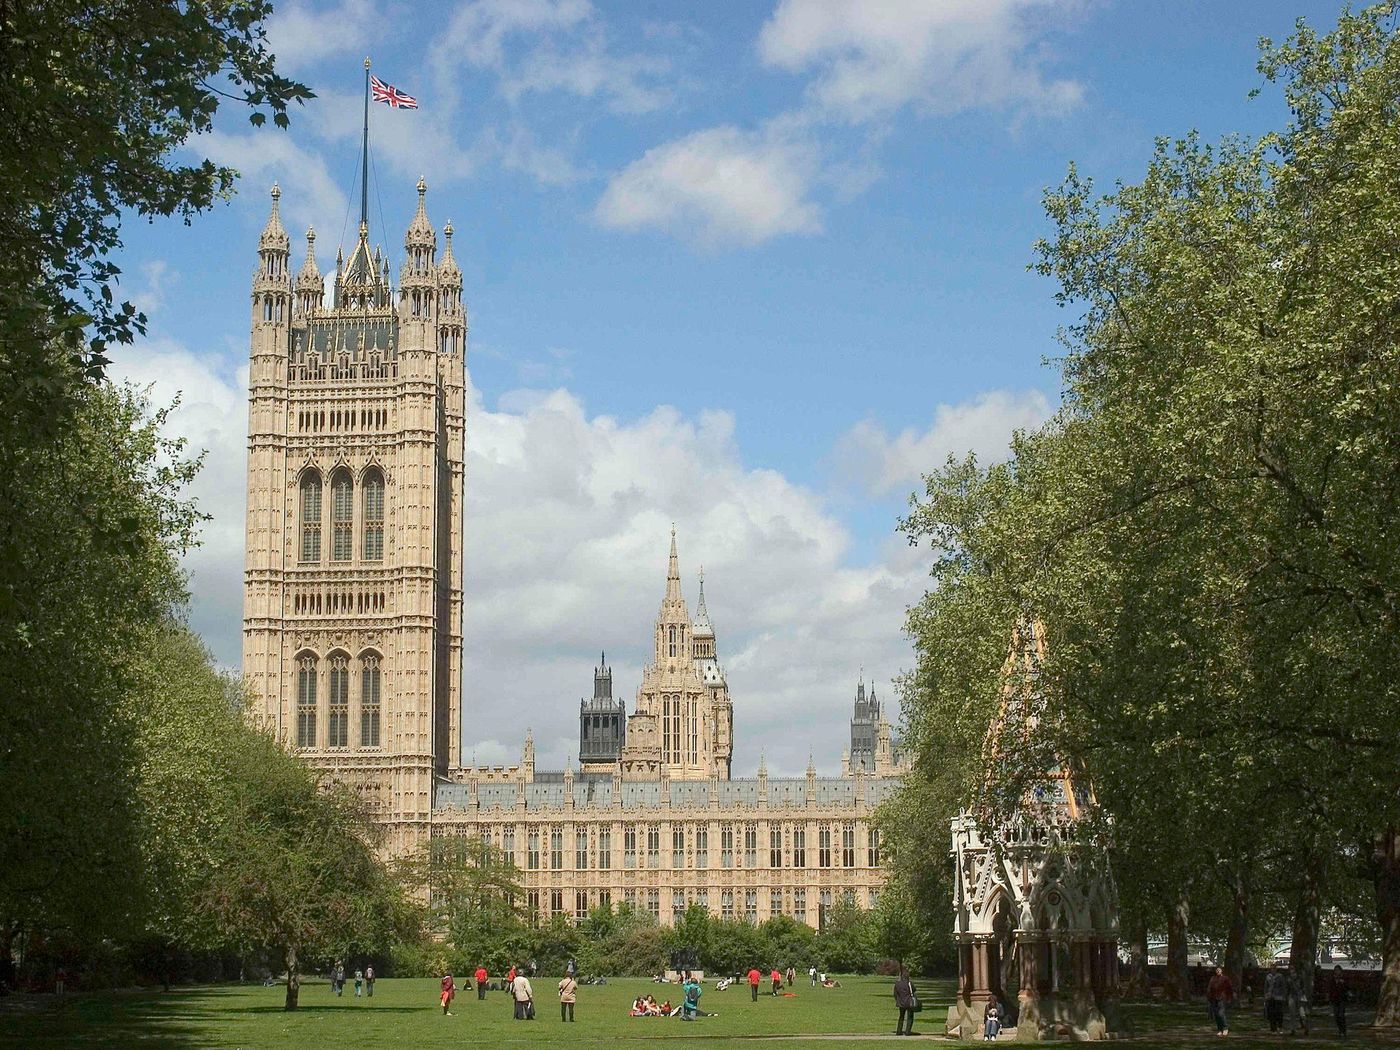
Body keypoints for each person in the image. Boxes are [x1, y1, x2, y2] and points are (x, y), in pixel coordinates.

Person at [1206, 965, 1233, 1037]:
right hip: (1214, 999)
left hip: (1222, 998)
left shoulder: (1225, 979)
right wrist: (1209, 997)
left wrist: (1229, 998)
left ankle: (1225, 1028)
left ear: (1221, 971)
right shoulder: (1213, 978)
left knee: (1221, 1013)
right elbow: (1209, 988)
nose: (1218, 971)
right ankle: (1220, 1029)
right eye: (1217, 970)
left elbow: (1230, 988)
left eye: (1219, 970)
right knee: (1216, 1015)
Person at [893, 967, 917, 1036]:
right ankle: (907, 1031)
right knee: (910, 1017)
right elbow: (914, 991)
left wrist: (897, 1000)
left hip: (901, 1002)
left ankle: (899, 1031)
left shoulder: (897, 984)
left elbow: (895, 994)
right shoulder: (909, 983)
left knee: (901, 1017)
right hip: (909, 1002)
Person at [1264, 965, 1288, 1033]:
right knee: (1271, 1013)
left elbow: (1283, 986)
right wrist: (1266, 995)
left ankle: (1279, 1027)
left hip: (1278, 997)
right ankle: (1273, 1028)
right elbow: (1266, 987)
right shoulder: (1268, 977)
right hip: (1270, 996)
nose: (1273, 970)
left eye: (1274, 969)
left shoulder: (1280, 977)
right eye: (1272, 969)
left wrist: (1284, 995)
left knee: (1279, 1013)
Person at [1329, 965, 1348, 1038]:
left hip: (1342, 999)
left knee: (1341, 1015)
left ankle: (1343, 1031)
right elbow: (1330, 989)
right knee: (1336, 1016)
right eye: (1335, 970)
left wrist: (1342, 983)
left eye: (1338, 970)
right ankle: (1340, 1030)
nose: (1337, 972)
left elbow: (1347, 988)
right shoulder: (1332, 980)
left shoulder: (1343, 979)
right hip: (1335, 1000)